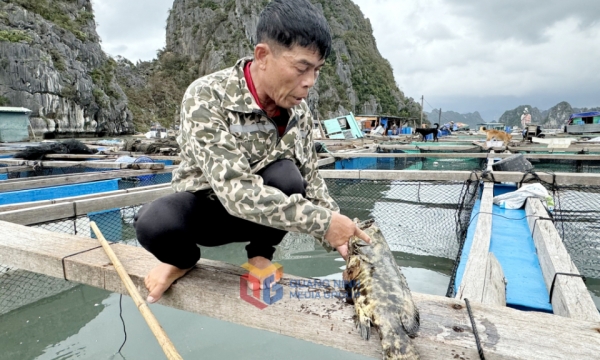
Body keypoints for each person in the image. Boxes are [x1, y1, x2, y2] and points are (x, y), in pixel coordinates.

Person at [134, 0, 371, 304]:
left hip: (262, 218)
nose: (310, 82)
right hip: (208, 210)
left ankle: (261, 255)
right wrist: (323, 223)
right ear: (262, 56)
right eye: (302, 68)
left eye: (316, 70)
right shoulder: (206, 96)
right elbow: (235, 190)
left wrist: (343, 237)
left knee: (289, 175)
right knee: (154, 223)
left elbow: (312, 181)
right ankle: (182, 262)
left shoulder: (300, 113)